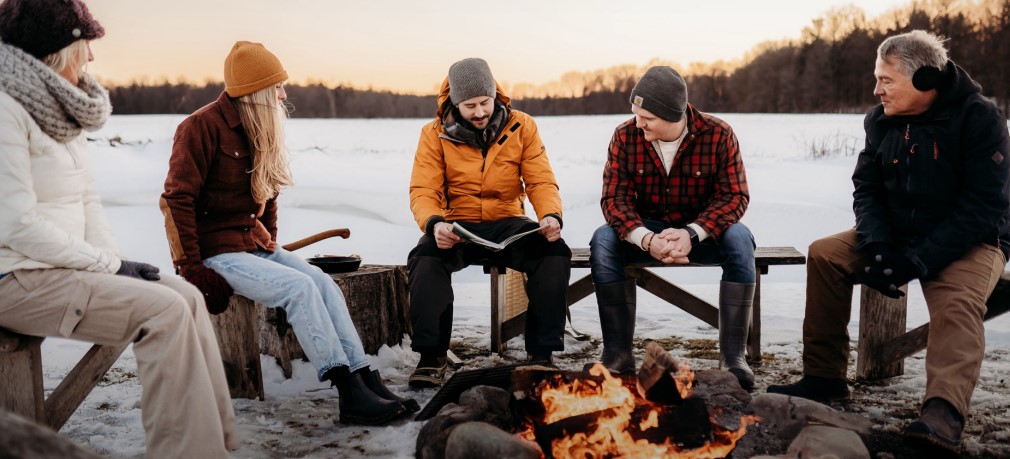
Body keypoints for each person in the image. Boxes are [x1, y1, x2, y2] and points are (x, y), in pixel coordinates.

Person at [0, 0, 238, 456]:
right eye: (85, 45)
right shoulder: (7, 110)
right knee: (163, 313)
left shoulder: (56, 108)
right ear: (58, 50)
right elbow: (15, 224)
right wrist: (109, 264)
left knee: (186, 296)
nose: (92, 57)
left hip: (59, 268)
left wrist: (111, 264)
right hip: (16, 276)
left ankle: (215, 446)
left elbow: (87, 199)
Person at [767, 30, 1010, 454]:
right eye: (876, 78)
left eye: (886, 79)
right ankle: (824, 376)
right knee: (826, 255)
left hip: (972, 239)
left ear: (925, 80)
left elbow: (983, 207)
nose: (876, 89)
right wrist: (878, 245)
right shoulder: (880, 120)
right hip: (898, 231)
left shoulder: (980, 119)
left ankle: (943, 411)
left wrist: (918, 262)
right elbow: (867, 188)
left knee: (956, 303)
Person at [160, 41, 415, 425]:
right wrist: (192, 268)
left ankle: (366, 378)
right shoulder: (200, 127)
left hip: (252, 243)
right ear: (256, 91)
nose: (283, 94)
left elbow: (270, 188)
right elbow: (175, 201)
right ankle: (348, 392)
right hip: (216, 252)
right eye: (277, 86)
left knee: (322, 283)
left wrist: (271, 237)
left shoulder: (259, 124)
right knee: (300, 289)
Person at [407, 57, 571, 388]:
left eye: (485, 102)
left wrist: (550, 216)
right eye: (470, 106)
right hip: (458, 225)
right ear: (454, 102)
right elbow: (423, 189)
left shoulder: (522, 126)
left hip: (509, 222)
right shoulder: (433, 134)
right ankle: (431, 356)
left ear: (495, 94)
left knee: (554, 253)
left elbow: (540, 181)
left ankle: (541, 355)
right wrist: (435, 224)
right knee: (424, 259)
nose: (480, 112)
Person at [590, 66, 756, 391]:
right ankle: (617, 355)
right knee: (603, 239)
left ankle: (733, 357)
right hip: (646, 229)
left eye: (647, 117)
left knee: (740, 238)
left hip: (703, 230)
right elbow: (614, 200)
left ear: (672, 115)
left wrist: (692, 233)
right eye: (636, 114)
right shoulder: (625, 136)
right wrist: (646, 239)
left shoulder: (718, 133)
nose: (638, 123)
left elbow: (734, 196)